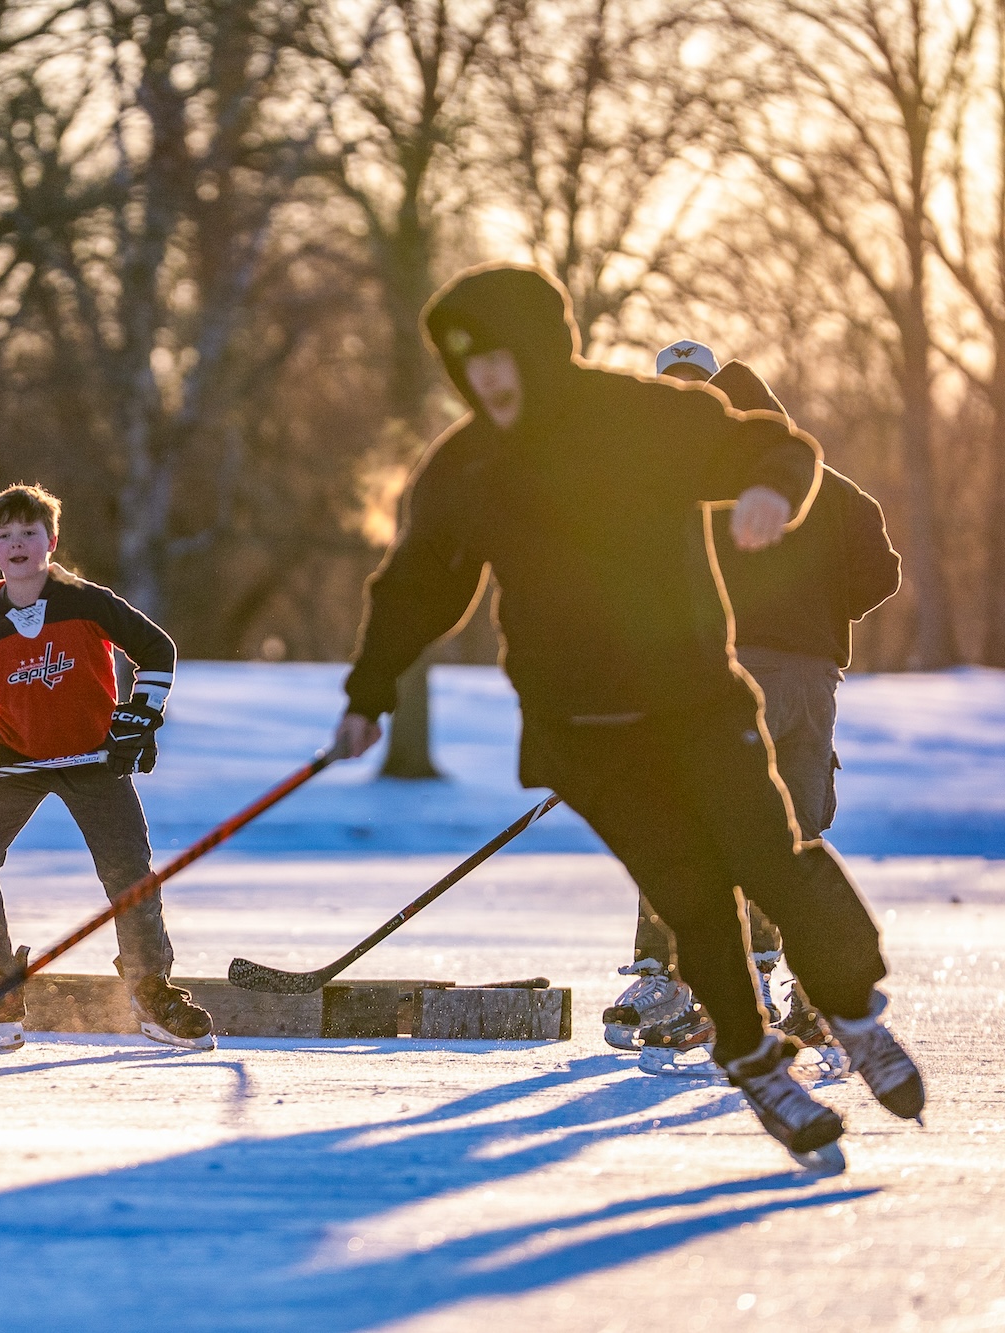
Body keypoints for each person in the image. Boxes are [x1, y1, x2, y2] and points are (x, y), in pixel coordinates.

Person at [333, 263, 924, 1167]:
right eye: (470, 365)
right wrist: (369, 693)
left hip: (696, 698)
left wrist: (770, 487)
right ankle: (753, 1059)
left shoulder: (637, 417)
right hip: (582, 732)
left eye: (503, 357)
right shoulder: (467, 464)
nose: (489, 380)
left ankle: (852, 1012)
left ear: (543, 349)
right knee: (690, 894)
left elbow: (776, 444)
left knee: (772, 855)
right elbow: (417, 585)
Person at [609, 345, 903, 1077]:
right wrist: (822, 616)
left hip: (727, 670)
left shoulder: (697, 483)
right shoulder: (833, 487)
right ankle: (794, 983)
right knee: (790, 830)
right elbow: (883, 572)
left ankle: (672, 980)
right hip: (811, 680)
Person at [0, 483, 213, 1052]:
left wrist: (140, 716)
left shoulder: (88, 602)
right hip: (16, 761)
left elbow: (158, 650)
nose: (17, 544)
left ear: (51, 541)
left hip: (94, 759)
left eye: (29, 533)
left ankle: (151, 991)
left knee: (129, 872)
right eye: (4, 535)